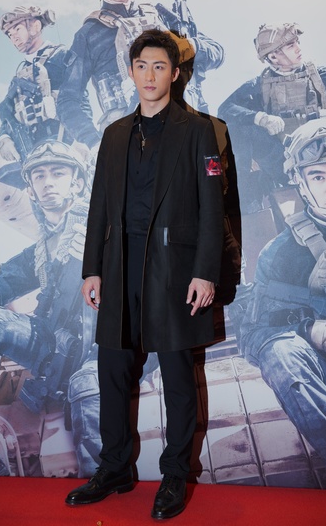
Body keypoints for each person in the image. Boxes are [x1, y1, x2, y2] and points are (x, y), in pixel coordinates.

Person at [65, 29, 224, 519]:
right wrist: (92, 269)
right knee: (112, 370)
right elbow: (98, 207)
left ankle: (175, 473)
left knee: (177, 373)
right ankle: (114, 467)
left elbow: (212, 208)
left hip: (175, 269)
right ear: (130, 71)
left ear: (174, 73)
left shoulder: (200, 130)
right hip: (119, 267)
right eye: (141, 66)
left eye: (159, 66)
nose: (149, 75)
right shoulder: (114, 134)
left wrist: (205, 272)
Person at [240, 117, 326, 490]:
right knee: (281, 354)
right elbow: (252, 335)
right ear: (301, 182)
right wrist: (316, 331)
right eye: (318, 177)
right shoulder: (280, 253)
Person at [0, 141, 101, 477]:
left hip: (105, 347)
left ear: (77, 183)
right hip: (54, 345)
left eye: (58, 173)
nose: (48, 182)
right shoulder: (41, 249)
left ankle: (103, 487)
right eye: (39, 176)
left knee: (86, 386)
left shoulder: (106, 228)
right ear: (30, 188)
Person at [56, 0, 224, 140]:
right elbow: (68, 100)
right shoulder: (89, 34)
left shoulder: (163, 18)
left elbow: (217, 53)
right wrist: (93, 143)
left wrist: (190, 47)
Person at [217, 22, 326, 214]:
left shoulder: (321, 77)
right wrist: (260, 118)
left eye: (297, 42)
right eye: (290, 45)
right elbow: (225, 109)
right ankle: (244, 202)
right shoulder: (259, 86)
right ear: (273, 56)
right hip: (286, 164)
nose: (298, 48)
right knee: (240, 127)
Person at [0, 6, 94, 183]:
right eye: (10, 34)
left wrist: (83, 139)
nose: (14, 37)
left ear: (35, 26)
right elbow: (9, 115)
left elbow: (81, 101)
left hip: (66, 146)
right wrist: (4, 138)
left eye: (17, 29)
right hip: (34, 156)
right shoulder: (18, 77)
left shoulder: (63, 57)